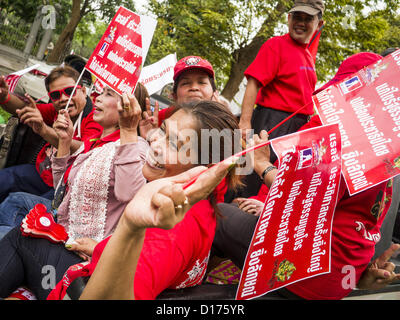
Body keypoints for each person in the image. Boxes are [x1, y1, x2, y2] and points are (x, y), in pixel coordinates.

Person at [212, 52, 400, 299]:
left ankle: (185, 282)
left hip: (304, 270)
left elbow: (299, 200)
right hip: (344, 277)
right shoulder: (384, 152)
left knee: (216, 215)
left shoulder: (341, 136)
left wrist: (261, 164)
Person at [31, 100, 243, 300]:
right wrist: (102, 248)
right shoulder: (198, 204)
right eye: (163, 130)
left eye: (176, 145)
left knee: (21, 238)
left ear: (204, 169)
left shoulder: (168, 231)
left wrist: (130, 227)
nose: (156, 143)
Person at [0, 85, 150, 299]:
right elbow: (61, 195)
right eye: (100, 92)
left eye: (108, 94)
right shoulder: (96, 142)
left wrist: (128, 131)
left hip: (86, 264)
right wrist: (64, 142)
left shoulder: (136, 147)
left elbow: (130, 195)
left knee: (19, 236)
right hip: (63, 243)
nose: (96, 98)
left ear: (128, 107)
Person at [236, 0, 325, 198]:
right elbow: (253, 82)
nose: (300, 23)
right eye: (297, 17)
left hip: (294, 130)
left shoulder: (308, 56)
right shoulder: (276, 44)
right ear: (289, 18)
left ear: (318, 24)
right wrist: (244, 122)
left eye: (308, 19)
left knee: (271, 187)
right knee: (248, 180)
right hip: (270, 124)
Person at [0, 65, 102, 202]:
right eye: (55, 95)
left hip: (64, 186)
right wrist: (5, 97)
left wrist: (44, 130)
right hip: (41, 173)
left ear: (83, 91)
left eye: (70, 91)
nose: (64, 98)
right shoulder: (56, 110)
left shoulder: (95, 118)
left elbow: (84, 150)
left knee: (17, 205)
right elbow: (25, 109)